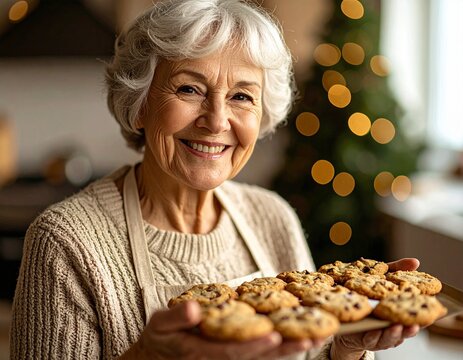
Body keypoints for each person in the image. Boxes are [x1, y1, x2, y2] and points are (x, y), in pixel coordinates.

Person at [10, 0, 421, 359]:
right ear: (138, 105)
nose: (217, 121)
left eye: (242, 96)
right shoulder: (66, 243)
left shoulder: (272, 217)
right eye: (189, 89)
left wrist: (346, 350)